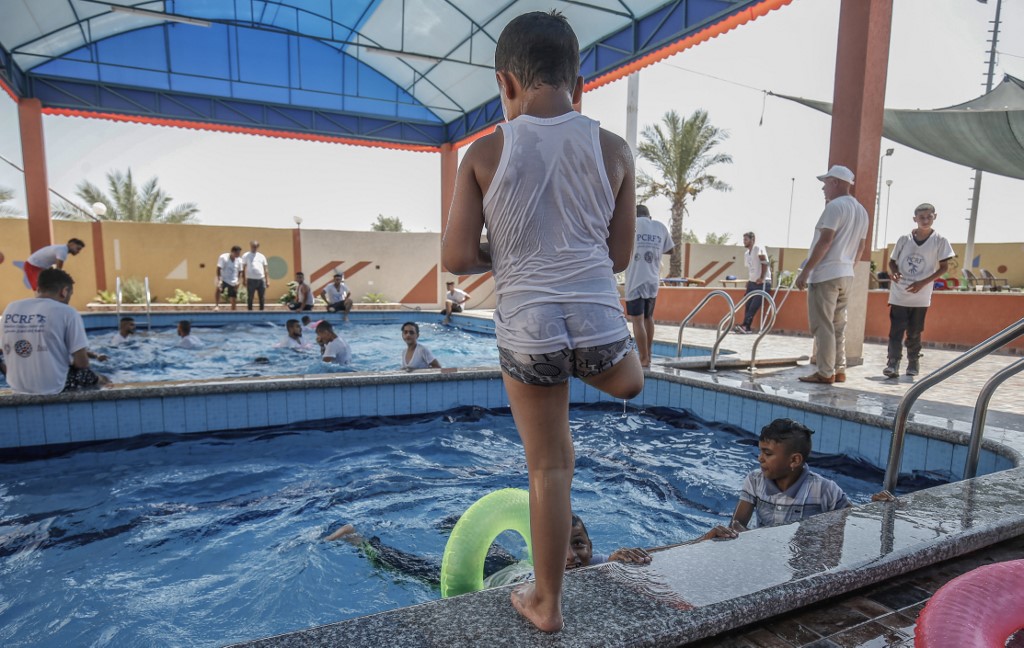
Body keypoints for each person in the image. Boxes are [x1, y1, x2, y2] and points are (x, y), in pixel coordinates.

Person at [441, 11, 644, 633]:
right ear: (579, 85)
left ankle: (546, 604)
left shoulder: (485, 152)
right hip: (602, 334)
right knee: (626, 383)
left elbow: (456, 258)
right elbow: (618, 257)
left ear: (505, 83)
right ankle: (611, 369)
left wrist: (508, 253)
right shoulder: (614, 149)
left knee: (549, 467)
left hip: (529, 334)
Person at [728, 418, 893, 530]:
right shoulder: (755, 480)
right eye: (760, 451)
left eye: (767, 453)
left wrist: (874, 509)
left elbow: (854, 522)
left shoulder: (824, 490)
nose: (760, 458)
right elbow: (736, 524)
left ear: (794, 460)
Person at [794, 165, 868, 385]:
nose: (823, 188)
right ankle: (839, 369)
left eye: (825, 183)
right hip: (846, 274)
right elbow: (861, 247)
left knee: (823, 325)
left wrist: (806, 271)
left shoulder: (835, 207)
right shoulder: (862, 212)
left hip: (826, 274)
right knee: (837, 325)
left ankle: (825, 372)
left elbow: (825, 241)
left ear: (835, 182)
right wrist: (849, 267)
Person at [1, 268, 106, 394]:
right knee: (99, 378)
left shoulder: (11, 307)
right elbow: (82, 363)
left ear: (38, 289)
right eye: (70, 295)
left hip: (18, 386)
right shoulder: (68, 312)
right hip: (53, 387)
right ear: (64, 291)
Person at [884, 203, 955, 378]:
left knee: (914, 331)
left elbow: (944, 267)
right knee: (896, 330)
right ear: (915, 219)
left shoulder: (940, 241)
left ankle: (913, 361)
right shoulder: (904, 239)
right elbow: (892, 262)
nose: (925, 220)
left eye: (929, 217)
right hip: (900, 294)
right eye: (921, 217)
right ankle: (893, 363)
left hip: (921, 296)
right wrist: (895, 272)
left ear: (934, 217)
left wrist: (923, 283)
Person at [623, 204, 674, 366]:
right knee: (648, 317)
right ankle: (649, 355)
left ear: (634, 215)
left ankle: (643, 358)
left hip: (635, 280)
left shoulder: (631, 225)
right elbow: (671, 250)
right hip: (652, 280)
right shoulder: (660, 227)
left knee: (637, 321)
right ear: (649, 217)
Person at [735, 232, 772, 335]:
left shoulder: (758, 248)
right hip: (752, 283)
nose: (744, 242)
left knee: (754, 305)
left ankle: (746, 326)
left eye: (746, 240)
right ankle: (745, 326)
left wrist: (762, 278)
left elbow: (764, 263)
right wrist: (749, 280)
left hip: (762, 283)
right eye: (744, 240)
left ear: (752, 240)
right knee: (748, 304)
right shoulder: (747, 254)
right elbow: (752, 268)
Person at [241, 241, 270, 311]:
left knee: (262, 297)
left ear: (257, 247)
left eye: (255, 247)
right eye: (253, 246)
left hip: (261, 279)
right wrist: (244, 279)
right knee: (250, 296)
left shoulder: (261, 256)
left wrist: (267, 280)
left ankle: (262, 310)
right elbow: (243, 268)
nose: (254, 248)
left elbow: (265, 269)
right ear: (250, 246)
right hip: (251, 279)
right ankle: (250, 310)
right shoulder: (246, 255)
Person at [215, 245, 244, 311]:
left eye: (239, 253)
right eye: (237, 253)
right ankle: (217, 306)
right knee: (218, 289)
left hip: (233, 280)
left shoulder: (239, 260)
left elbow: (240, 272)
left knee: (233, 296)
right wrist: (219, 280)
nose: (238, 255)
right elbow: (219, 269)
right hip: (224, 279)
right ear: (232, 252)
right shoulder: (223, 257)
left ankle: (233, 310)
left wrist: (238, 281)